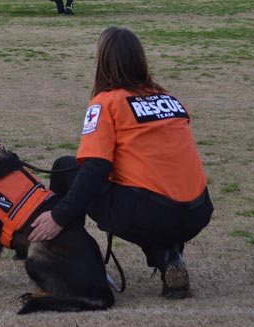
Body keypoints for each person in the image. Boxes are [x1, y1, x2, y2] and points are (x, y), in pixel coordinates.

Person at [29, 27, 213, 298]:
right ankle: (168, 256)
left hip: (151, 212)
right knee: (150, 202)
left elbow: (95, 169)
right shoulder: (171, 100)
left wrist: (59, 216)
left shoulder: (106, 103)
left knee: (64, 167)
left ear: (102, 63)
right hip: (197, 212)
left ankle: (71, 258)